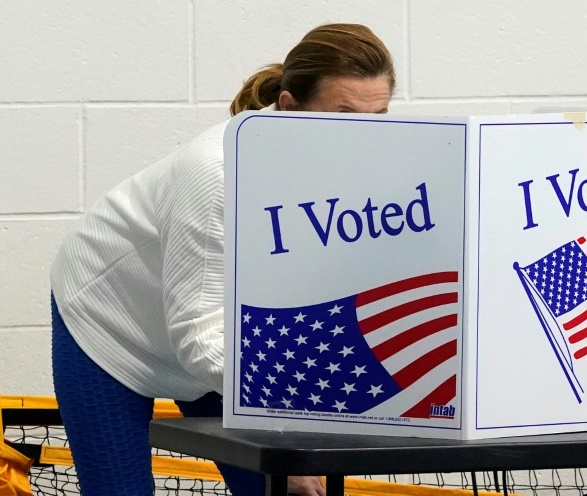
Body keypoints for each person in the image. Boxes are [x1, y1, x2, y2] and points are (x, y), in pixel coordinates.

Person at [49, 23, 395, 496]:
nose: (364, 139)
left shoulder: (351, 170)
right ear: (290, 107)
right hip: (111, 319)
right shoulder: (217, 174)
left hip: (217, 331)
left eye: (378, 117)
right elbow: (200, 336)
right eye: (344, 115)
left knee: (279, 489)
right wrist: (286, 438)